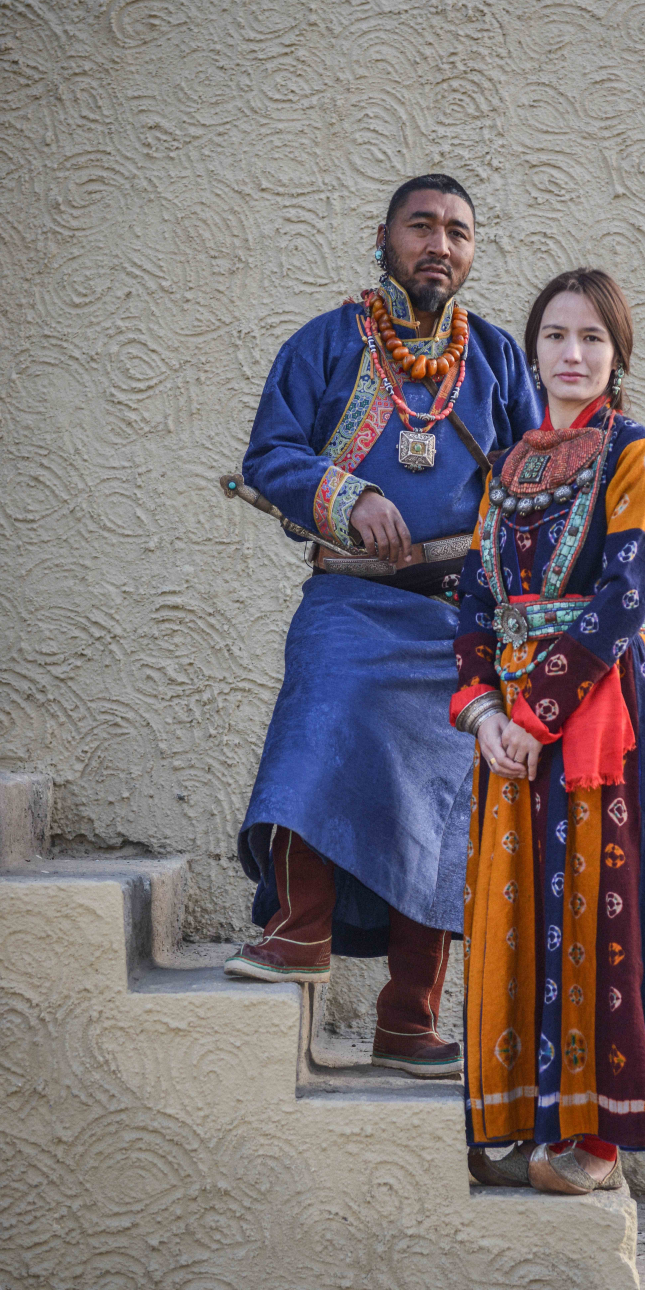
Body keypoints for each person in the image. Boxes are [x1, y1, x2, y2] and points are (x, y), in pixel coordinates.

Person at [225, 174, 541, 1079]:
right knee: (323, 706)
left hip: (457, 619)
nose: (440, 243)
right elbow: (270, 455)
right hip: (349, 598)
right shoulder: (325, 342)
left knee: (446, 798)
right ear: (383, 238)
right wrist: (347, 494)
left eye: (458, 231)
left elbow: (528, 477)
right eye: (422, 226)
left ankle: (409, 1020)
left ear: (472, 252)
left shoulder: (496, 361)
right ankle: (298, 931)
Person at [450, 268, 645, 1191]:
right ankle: (517, 1123)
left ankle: (592, 1141)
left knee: (595, 911)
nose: (572, 354)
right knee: (513, 913)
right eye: (555, 335)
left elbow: (623, 598)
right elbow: (473, 602)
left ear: (617, 356)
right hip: (505, 728)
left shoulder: (640, 457)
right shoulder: (509, 466)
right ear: (533, 350)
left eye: (593, 338)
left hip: (591, 720)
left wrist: (533, 715)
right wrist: (480, 713)